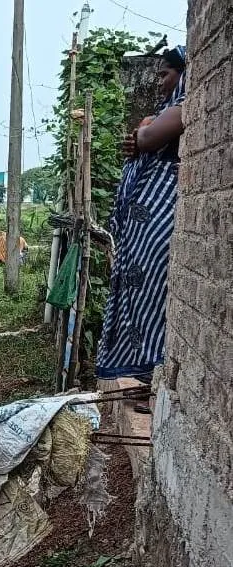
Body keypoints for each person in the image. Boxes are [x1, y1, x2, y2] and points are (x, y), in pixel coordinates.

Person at [96, 46, 187, 390]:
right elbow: (142, 138)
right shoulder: (168, 110)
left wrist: (144, 129)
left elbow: (146, 138)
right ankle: (145, 372)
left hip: (160, 225)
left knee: (154, 293)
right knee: (143, 294)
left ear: (184, 74)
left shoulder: (186, 105)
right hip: (146, 228)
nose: (159, 82)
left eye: (165, 74)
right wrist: (144, 128)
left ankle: (151, 371)